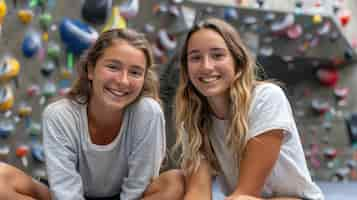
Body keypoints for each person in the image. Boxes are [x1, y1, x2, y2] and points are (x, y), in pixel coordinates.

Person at [0, 28, 184, 200]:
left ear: (144, 79)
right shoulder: (59, 115)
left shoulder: (148, 112)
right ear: (90, 69)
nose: (123, 81)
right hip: (69, 195)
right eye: (113, 67)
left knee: (175, 181)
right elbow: (65, 191)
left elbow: (138, 187)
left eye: (135, 72)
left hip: (124, 197)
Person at [174, 17, 324, 200]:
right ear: (186, 68)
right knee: (173, 182)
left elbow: (247, 192)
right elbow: (197, 192)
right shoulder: (194, 116)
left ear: (237, 60)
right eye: (195, 57)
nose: (206, 66)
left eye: (217, 55)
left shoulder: (266, 98)